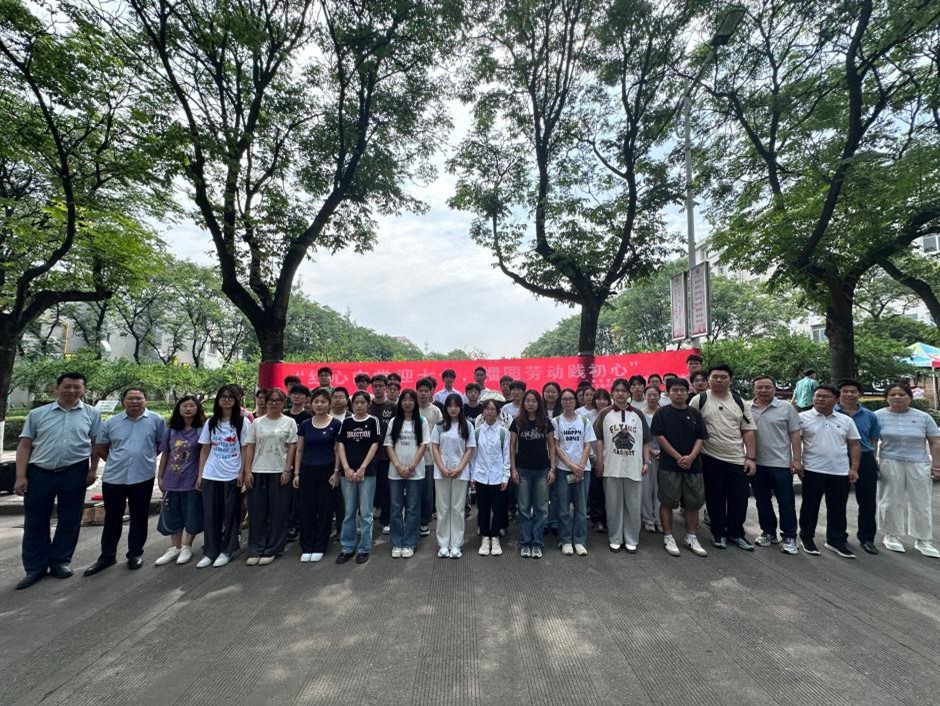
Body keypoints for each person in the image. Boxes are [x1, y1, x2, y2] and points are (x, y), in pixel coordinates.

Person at [14, 372, 102, 590]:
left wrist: (93, 470)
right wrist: (20, 476)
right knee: (35, 520)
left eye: (77, 387)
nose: (72, 391)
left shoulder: (92, 414)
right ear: (57, 388)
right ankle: (35, 567)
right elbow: (25, 445)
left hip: (74, 471)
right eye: (67, 386)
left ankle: (61, 561)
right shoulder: (37, 414)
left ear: (84, 390)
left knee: (70, 519)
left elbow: (95, 444)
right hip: (39, 472)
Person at [84, 387, 166, 577]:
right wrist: (116, 460)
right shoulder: (111, 422)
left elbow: (161, 444)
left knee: (139, 516)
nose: (134, 402)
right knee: (112, 517)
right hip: (114, 477)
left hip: (143, 476)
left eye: (139, 398)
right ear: (123, 401)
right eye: (130, 398)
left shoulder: (156, 420)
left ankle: (135, 553)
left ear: (145, 400)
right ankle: (107, 555)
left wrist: (144, 458)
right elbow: (100, 447)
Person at [689, 364, 758, 551]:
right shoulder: (699, 400)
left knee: (740, 497)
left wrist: (751, 458)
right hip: (709, 457)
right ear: (709, 379)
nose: (719, 380)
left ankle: (736, 533)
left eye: (723, 377)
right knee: (715, 497)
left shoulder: (740, 402)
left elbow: (748, 430)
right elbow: (691, 428)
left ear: (730, 380)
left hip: (736, 458)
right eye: (715, 376)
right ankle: (718, 533)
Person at [874, 382, 940, 557]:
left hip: (918, 463)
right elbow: (872, 442)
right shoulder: (877, 416)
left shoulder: (923, 417)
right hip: (890, 461)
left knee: (921, 502)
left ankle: (923, 539)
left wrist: (937, 467)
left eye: (902, 394)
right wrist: (873, 464)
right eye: (892, 394)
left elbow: (935, 442)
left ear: (910, 397)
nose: (897, 397)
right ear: (886, 397)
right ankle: (891, 534)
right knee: (890, 500)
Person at [797, 384, 861, 558]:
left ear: (836, 399)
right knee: (810, 506)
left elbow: (854, 444)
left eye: (825, 396)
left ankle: (835, 540)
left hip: (839, 470)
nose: (820, 399)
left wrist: (854, 468)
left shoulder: (845, 420)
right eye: (817, 396)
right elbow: (795, 441)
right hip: (812, 469)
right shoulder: (802, 417)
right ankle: (806, 538)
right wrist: (797, 462)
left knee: (838, 508)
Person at [651, 378, 709, 557]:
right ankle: (668, 536)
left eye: (682, 390)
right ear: (668, 393)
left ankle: (691, 536)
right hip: (669, 465)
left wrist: (691, 457)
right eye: (675, 390)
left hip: (693, 465)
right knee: (667, 501)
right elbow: (659, 437)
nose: (679, 393)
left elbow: (700, 437)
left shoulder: (694, 413)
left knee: (693, 502)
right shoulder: (662, 413)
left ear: (687, 391)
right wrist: (678, 457)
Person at [594, 378, 651, 553]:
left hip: (634, 466)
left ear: (629, 393)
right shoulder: (604, 413)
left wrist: (646, 461)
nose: (620, 394)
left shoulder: (638, 414)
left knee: (633, 504)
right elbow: (599, 439)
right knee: (613, 504)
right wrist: (599, 461)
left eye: (624, 390)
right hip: (611, 466)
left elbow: (645, 440)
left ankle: (632, 538)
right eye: (617, 390)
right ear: (612, 393)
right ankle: (615, 537)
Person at [747, 375, 802, 555]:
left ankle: (789, 536)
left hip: (781, 463)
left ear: (774, 388)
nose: (763, 390)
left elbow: (795, 434)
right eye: (759, 387)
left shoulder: (786, 408)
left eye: (767, 387)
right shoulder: (746, 408)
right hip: (756, 463)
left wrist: (797, 459)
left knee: (786, 502)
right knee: (762, 501)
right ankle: (768, 532)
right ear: (753, 389)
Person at [196, 385, 250, 568]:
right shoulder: (211, 422)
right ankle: (210, 551)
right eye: (223, 397)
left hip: (231, 474)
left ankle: (227, 550)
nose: (226, 400)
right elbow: (205, 449)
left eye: (230, 397)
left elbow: (245, 449)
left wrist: (242, 471)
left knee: (230, 515)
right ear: (218, 400)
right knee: (210, 515)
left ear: (236, 400)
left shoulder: (242, 422)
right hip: (211, 473)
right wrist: (200, 475)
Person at [242, 388, 297, 566]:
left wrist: (287, 470)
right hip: (258, 470)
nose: (274, 403)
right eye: (271, 400)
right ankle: (256, 548)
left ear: (283, 403)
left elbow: (292, 447)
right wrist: (247, 471)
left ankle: (273, 548)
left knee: (278, 512)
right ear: (265, 402)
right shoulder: (257, 423)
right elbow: (250, 446)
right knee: (257, 512)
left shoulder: (289, 422)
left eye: (278, 400)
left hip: (279, 471)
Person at [154, 396, 206, 566]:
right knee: (172, 513)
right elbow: (165, 454)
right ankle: (175, 547)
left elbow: (205, 453)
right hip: (172, 479)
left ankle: (187, 546)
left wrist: (200, 476)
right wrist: (160, 476)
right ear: (179, 408)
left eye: (192, 406)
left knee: (191, 513)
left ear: (197, 409)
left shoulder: (201, 430)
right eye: (185, 406)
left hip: (191, 479)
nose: (188, 409)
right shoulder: (171, 430)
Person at [294, 388, 342, 563]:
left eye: (323, 402)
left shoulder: (336, 424)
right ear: (311, 403)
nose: (319, 405)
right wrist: (296, 473)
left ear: (329, 404)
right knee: (307, 508)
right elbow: (299, 450)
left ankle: (320, 546)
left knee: (325, 508)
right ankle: (307, 546)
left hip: (327, 470)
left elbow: (338, 450)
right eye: (316, 402)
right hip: (307, 470)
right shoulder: (305, 424)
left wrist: (336, 472)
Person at [834, 379, 881, 555]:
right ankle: (839, 537)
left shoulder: (870, 415)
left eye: (853, 391)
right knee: (838, 500)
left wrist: (873, 460)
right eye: (845, 391)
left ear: (859, 394)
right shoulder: (830, 413)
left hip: (865, 458)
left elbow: (873, 439)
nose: (849, 394)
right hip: (839, 458)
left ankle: (867, 538)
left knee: (868, 500)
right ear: (839, 394)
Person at [336, 391, 381, 565]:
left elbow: (375, 444)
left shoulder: (373, 421)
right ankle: (347, 548)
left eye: (363, 402)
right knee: (349, 512)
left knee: (366, 513)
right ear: (352, 404)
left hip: (367, 473)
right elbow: (340, 444)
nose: (359, 405)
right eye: (356, 403)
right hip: (347, 473)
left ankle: (364, 549)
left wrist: (362, 468)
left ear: (368, 404)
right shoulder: (347, 422)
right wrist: (346, 468)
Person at [385, 389, 430, 558]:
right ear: (400, 402)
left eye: (411, 399)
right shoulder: (394, 421)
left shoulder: (422, 421)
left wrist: (411, 467)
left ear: (415, 402)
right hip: (395, 471)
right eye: (404, 399)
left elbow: (423, 445)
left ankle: (410, 542)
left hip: (415, 471)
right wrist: (398, 466)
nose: (407, 403)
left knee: (412, 508)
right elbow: (388, 444)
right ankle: (396, 542)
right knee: (396, 507)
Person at [511, 390, 555, 558]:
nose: (531, 404)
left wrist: (552, 469)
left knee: (541, 509)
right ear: (524, 403)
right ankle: (525, 542)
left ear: (539, 403)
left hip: (542, 470)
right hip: (523, 470)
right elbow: (512, 447)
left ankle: (537, 543)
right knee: (523, 508)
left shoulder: (546, 422)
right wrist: (513, 469)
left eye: (534, 401)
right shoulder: (517, 422)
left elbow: (551, 446)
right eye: (528, 401)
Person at [432, 393, 476, 558]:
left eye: (456, 405)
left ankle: (456, 544)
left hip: (460, 472)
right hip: (441, 472)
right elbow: (435, 447)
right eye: (450, 406)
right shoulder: (439, 425)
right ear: (446, 408)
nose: (453, 409)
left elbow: (469, 449)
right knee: (443, 508)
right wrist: (442, 467)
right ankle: (443, 544)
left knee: (458, 509)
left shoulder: (467, 425)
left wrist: (459, 468)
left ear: (460, 407)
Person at [552, 388, 595, 556]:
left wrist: (580, 466)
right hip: (563, 470)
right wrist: (571, 466)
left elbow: (588, 445)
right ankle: (565, 540)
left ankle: (579, 540)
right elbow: (556, 446)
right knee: (563, 507)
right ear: (560, 402)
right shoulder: (556, 421)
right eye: (564, 399)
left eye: (570, 399)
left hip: (583, 471)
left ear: (575, 401)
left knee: (581, 507)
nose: (568, 402)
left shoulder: (584, 421)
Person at [472, 399, 510, 556]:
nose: (489, 412)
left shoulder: (503, 432)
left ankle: (495, 536)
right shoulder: (477, 432)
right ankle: (485, 536)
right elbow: (473, 457)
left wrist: (505, 477)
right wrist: (472, 477)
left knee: (498, 507)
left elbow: (506, 456)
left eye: (493, 409)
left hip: (497, 476)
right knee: (483, 508)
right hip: (481, 476)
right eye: (487, 409)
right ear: (483, 412)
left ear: (498, 412)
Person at [368, 374, 397, 536]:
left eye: (381, 386)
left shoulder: (393, 407)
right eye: (375, 386)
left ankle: (386, 520)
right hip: (368, 457)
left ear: (386, 387)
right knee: (369, 489)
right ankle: (368, 518)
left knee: (386, 489)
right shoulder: (367, 406)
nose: (378, 388)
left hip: (387, 455)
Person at [416, 377, 443, 536]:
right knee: (412, 491)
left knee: (427, 492)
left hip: (429, 458)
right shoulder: (411, 409)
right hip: (411, 457)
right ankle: (413, 519)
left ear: (431, 392)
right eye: (420, 391)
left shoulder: (435, 411)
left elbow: (441, 432)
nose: (423, 393)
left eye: (426, 391)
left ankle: (424, 521)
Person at [587, 388, 611, 533]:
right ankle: (598, 520)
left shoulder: (613, 415)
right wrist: (594, 458)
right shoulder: (587, 417)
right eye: (599, 399)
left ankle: (609, 519)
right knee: (596, 492)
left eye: (605, 399)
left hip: (611, 459)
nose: (602, 402)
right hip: (593, 459)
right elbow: (586, 441)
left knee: (610, 493)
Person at [640, 385, 662, 533]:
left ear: (659, 396)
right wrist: (650, 451)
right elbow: (640, 437)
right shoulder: (639, 414)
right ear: (645, 396)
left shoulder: (664, 413)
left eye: (655, 395)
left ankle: (660, 519)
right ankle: (648, 518)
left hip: (664, 455)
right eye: (649, 395)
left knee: (661, 489)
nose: (652, 398)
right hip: (646, 455)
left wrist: (662, 451)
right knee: (646, 487)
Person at [542, 382, 562, 535]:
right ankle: (543, 521)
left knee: (556, 492)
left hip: (560, 457)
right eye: (547, 391)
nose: (550, 394)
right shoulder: (538, 410)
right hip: (541, 456)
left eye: (553, 391)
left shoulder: (563, 411)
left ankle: (554, 521)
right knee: (543, 492)